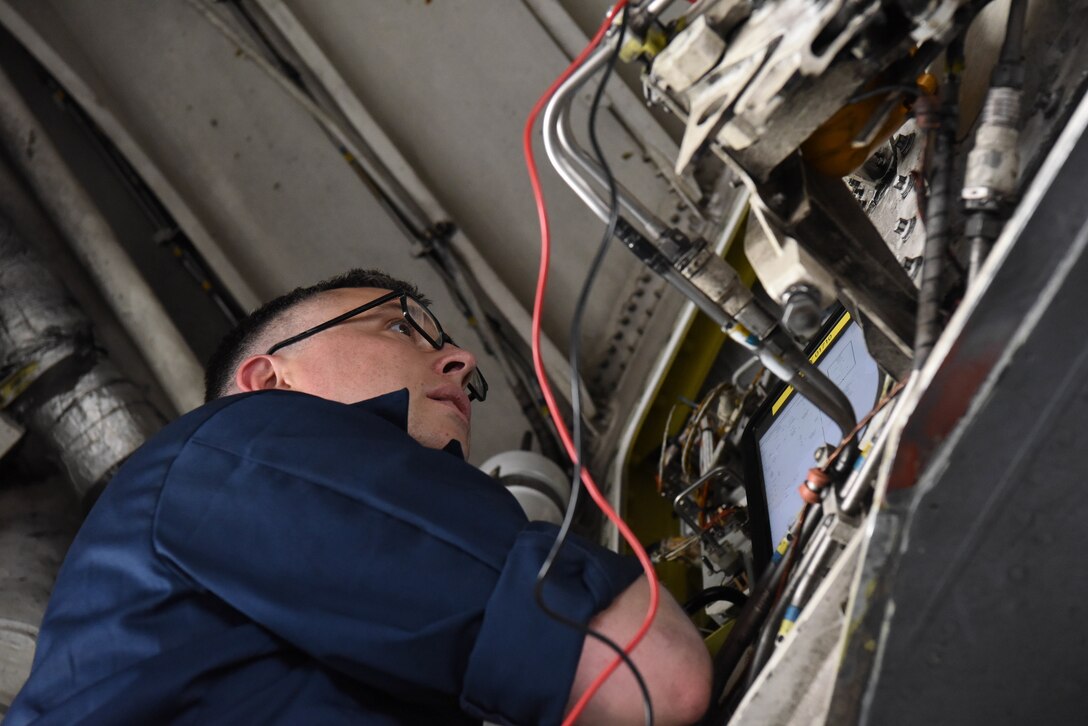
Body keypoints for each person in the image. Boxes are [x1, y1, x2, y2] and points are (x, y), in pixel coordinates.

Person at [7, 269, 711, 725]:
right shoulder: (237, 444)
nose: (462, 363)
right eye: (400, 326)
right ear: (268, 381)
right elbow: (646, 669)